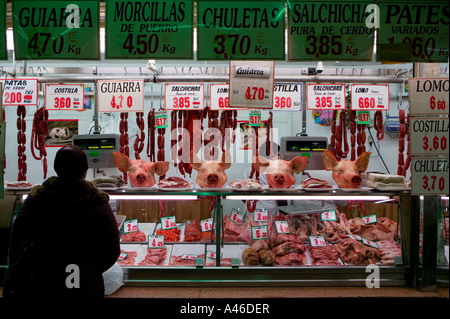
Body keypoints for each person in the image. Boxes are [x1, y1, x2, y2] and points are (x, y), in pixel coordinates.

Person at [3, 145, 120, 300]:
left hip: (40, 282)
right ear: (85, 171)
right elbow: (111, 250)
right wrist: (88, 269)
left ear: (56, 168)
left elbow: (17, 239)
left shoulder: (37, 198)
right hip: (83, 284)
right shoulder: (97, 201)